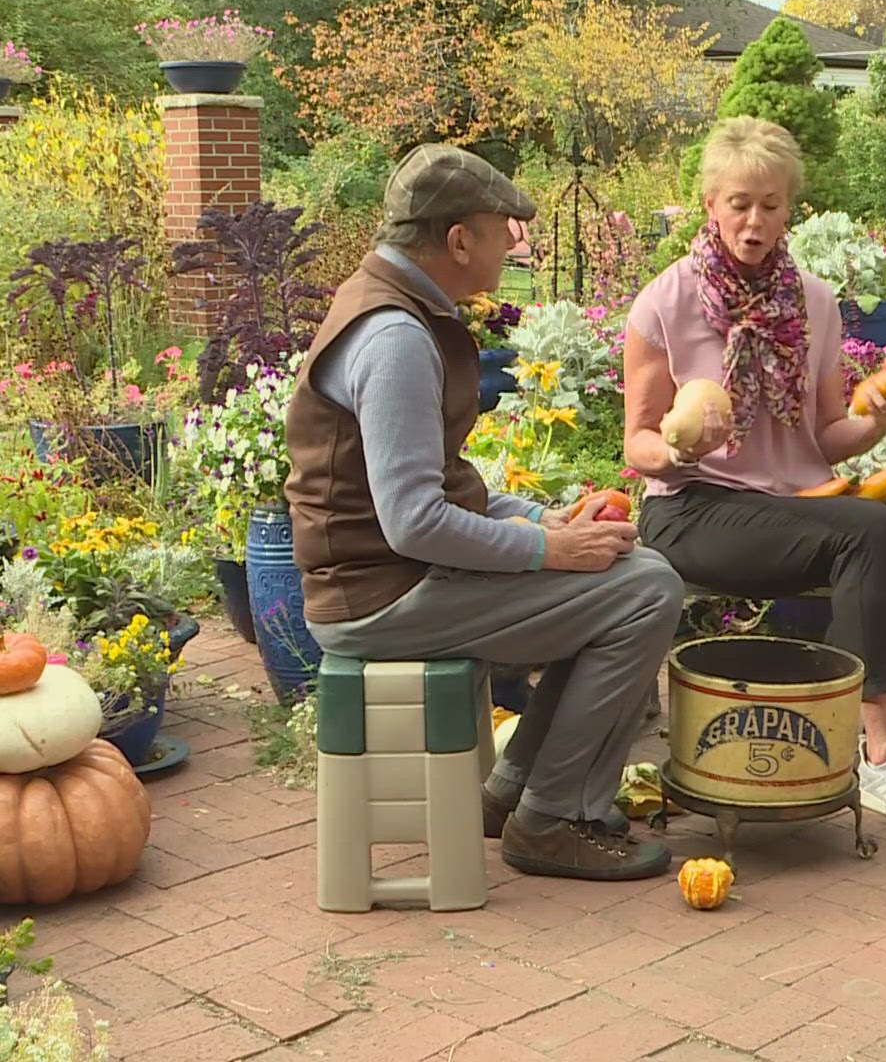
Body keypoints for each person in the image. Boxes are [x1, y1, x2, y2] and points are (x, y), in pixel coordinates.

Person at [284, 143, 682, 882]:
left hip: (382, 578)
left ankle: (517, 790)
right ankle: (555, 820)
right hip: (379, 597)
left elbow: (434, 486)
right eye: (504, 226)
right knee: (646, 591)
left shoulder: (393, 306)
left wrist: (545, 521)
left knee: (635, 574)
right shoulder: (396, 337)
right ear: (458, 240)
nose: (514, 241)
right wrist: (548, 551)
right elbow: (413, 523)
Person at [621, 116, 886, 836]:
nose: (755, 222)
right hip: (695, 508)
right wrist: (684, 447)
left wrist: (877, 416)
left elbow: (823, 438)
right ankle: (883, 753)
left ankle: (826, 708)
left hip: (794, 505)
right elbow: (638, 445)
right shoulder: (667, 300)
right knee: (868, 529)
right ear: (710, 202)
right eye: (740, 203)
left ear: (791, 208)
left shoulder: (811, 300)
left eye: (771, 205)